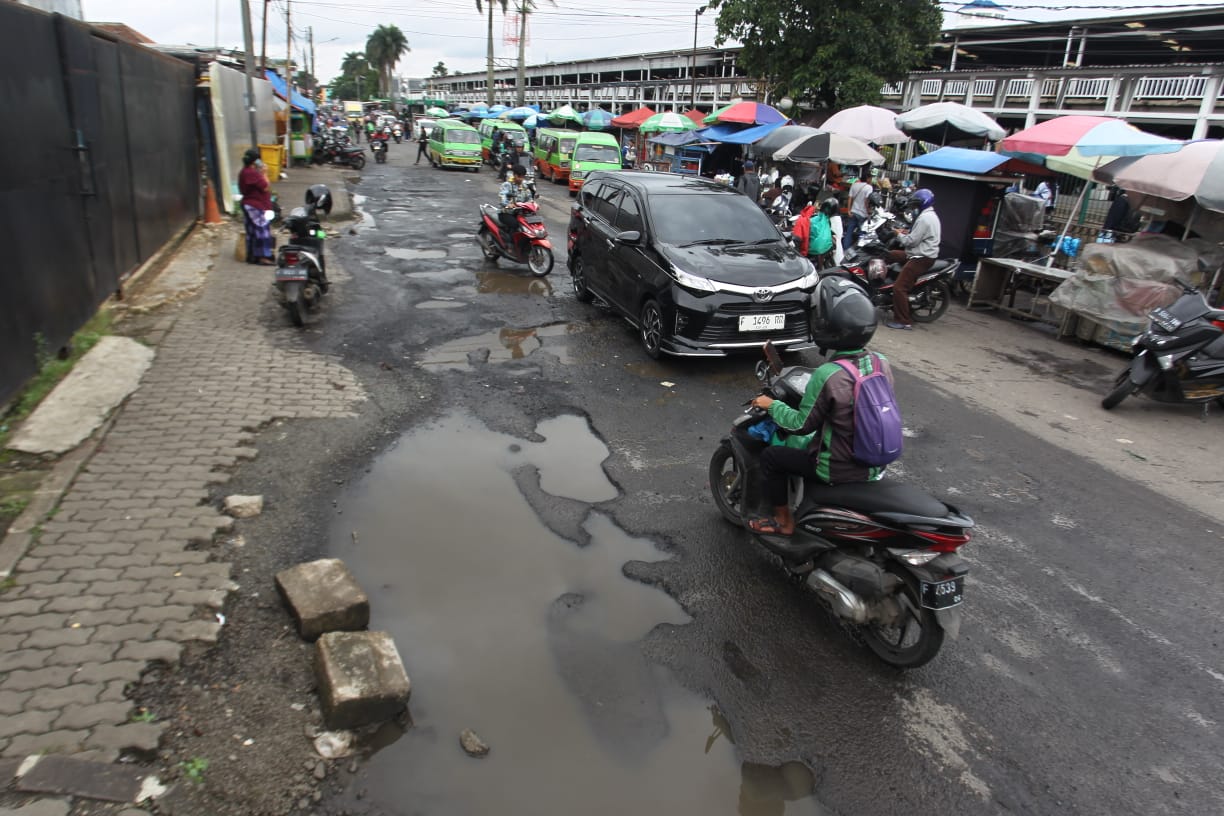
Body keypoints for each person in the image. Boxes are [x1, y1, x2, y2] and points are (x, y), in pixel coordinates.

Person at [746, 278, 891, 535]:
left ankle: (783, 522)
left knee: (772, 458)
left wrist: (772, 405)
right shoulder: (881, 362)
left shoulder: (829, 373)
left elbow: (800, 425)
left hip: (836, 467)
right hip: (874, 464)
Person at [885, 188, 941, 330]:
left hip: (921, 257)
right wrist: (906, 232)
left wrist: (898, 234)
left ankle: (904, 321)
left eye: (916, 204)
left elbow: (910, 242)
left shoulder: (924, 218)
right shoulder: (929, 215)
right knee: (888, 255)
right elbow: (917, 235)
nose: (914, 207)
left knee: (899, 287)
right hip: (918, 253)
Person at [238, 148, 275, 266]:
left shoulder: (246, 172)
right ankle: (263, 256)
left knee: (252, 232)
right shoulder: (251, 173)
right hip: (255, 205)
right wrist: (264, 173)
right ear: (255, 161)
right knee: (262, 230)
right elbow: (265, 186)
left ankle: (252, 255)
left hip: (251, 205)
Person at [791, 191, 836, 270]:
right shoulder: (823, 219)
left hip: (811, 250)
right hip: (823, 249)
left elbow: (802, 238)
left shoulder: (804, 220)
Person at [843, 173, 874, 249]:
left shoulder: (854, 185)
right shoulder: (869, 187)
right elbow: (866, 201)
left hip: (853, 212)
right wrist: (868, 212)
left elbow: (850, 198)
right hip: (862, 214)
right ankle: (858, 250)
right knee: (862, 233)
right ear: (868, 178)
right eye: (871, 178)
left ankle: (845, 249)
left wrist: (849, 210)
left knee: (849, 232)